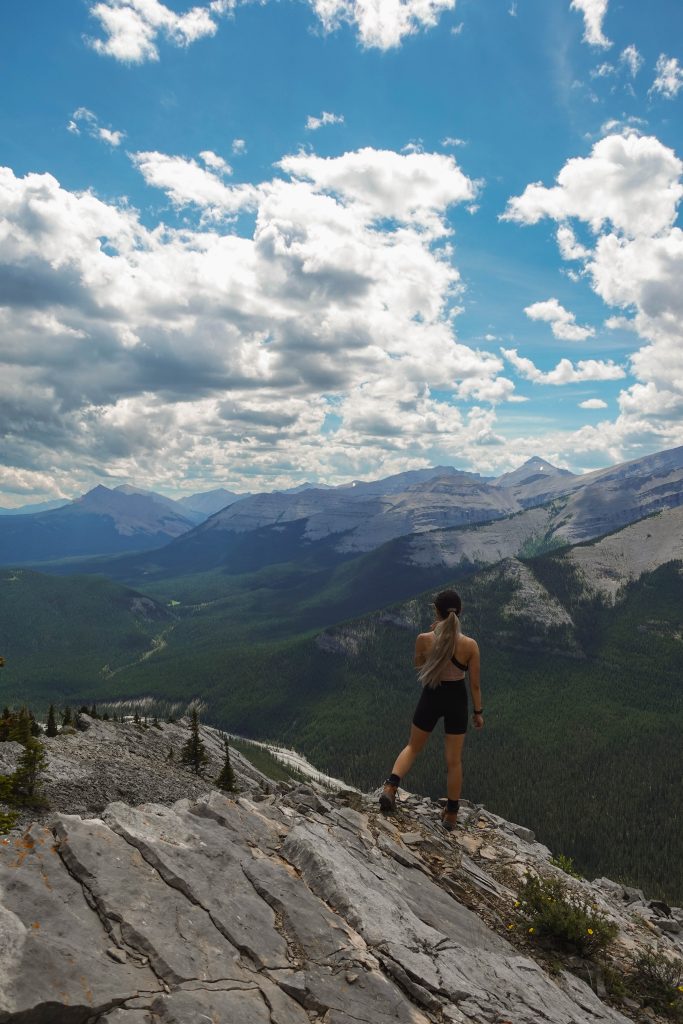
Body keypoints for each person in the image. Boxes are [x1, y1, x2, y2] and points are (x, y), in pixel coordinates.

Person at [379, 588, 483, 830]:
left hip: (432, 694)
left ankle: (390, 787)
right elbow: (475, 684)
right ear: (460, 612)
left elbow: (419, 665)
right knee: (454, 761)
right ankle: (451, 815)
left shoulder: (424, 639)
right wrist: (478, 713)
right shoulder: (470, 645)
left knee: (413, 746)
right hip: (457, 698)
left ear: (436, 612)